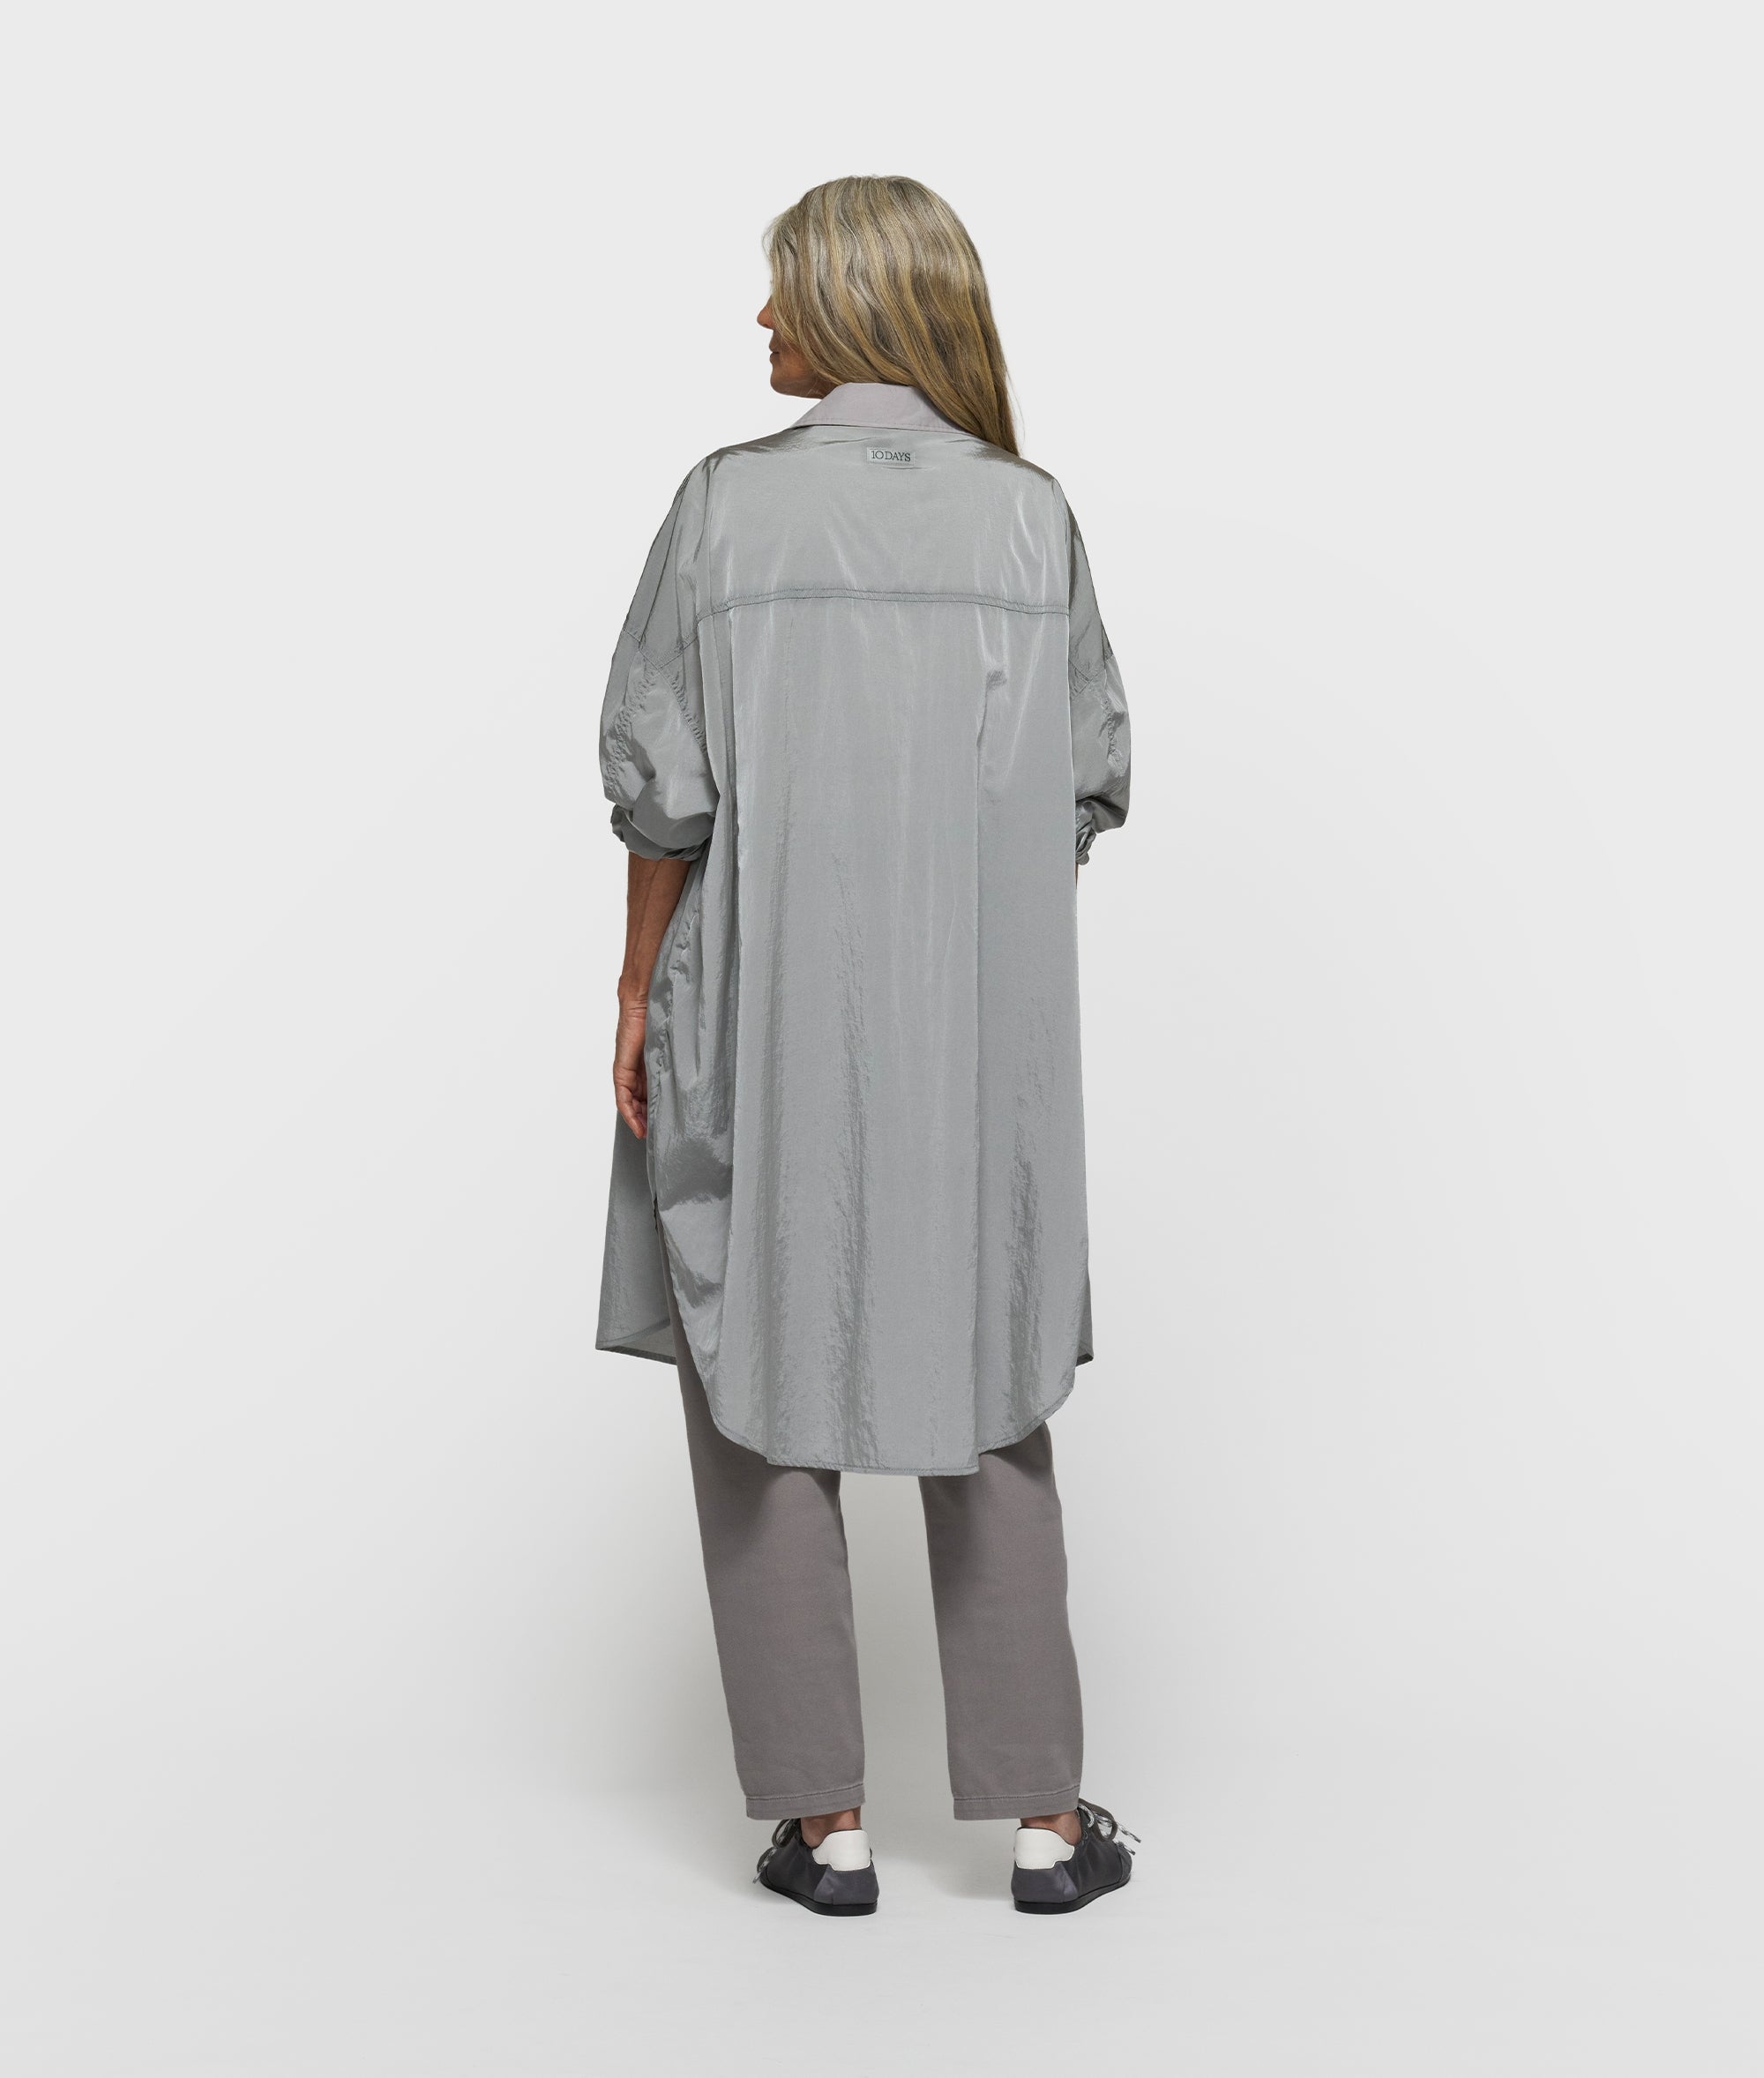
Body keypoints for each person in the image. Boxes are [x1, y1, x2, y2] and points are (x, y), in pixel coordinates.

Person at [595, 176, 1134, 1916]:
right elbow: (1086, 782)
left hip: (766, 1010)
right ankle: (1043, 1819)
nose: (762, 321)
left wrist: (637, 992)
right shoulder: (1030, 521)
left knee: (755, 1364)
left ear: (849, 303)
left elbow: (664, 794)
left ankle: (822, 1826)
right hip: (977, 1046)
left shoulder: (725, 508)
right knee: (989, 1370)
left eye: (783, 291)